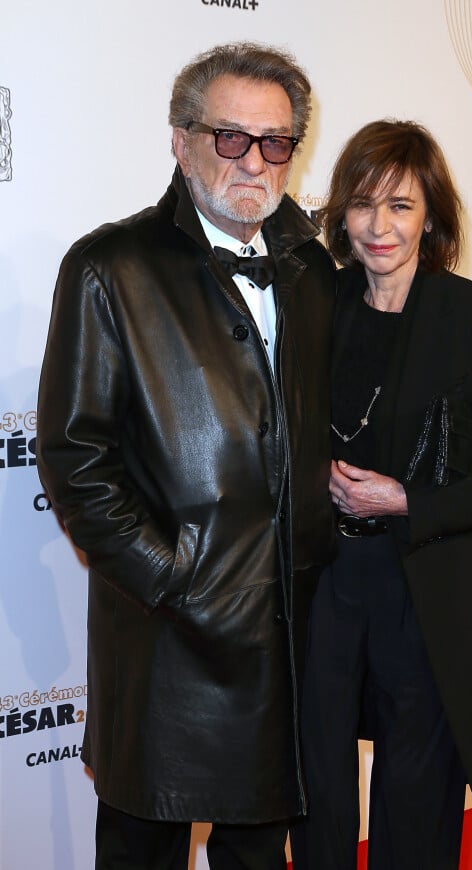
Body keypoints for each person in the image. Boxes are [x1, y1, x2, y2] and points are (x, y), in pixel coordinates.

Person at [36, 41, 336, 870]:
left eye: (275, 141)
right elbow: (74, 454)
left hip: (286, 643)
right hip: (167, 646)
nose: (254, 160)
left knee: (257, 853)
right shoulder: (111, 267)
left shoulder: (312, 268)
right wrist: (172, 577)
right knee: (143, 849)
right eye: (230, 136)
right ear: (181, 139)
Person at [290, 120, 472, 870]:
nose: (380, 226)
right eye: (363, 204)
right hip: (323, 583)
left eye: (401, 206)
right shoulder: (316, 302)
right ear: (340, 213)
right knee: (317, 784)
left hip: (424, 583)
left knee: (418, 784)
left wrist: (405, 501)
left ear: (431, 215)